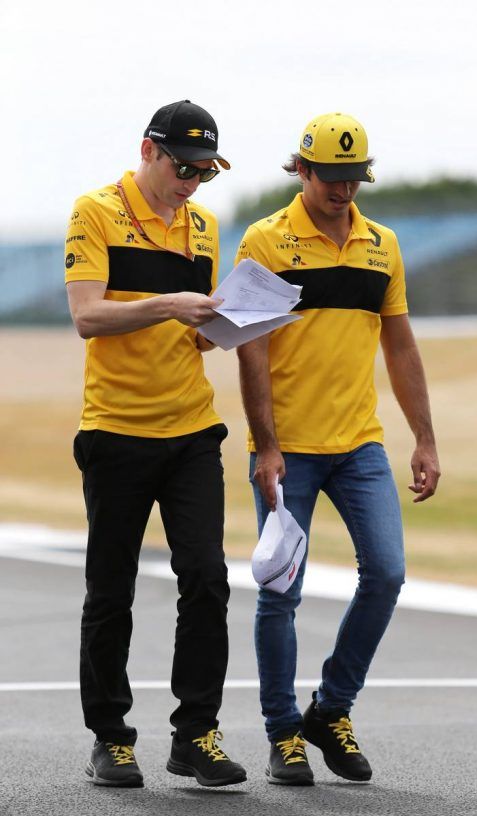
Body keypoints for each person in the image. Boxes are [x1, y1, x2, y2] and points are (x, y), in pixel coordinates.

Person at [235, 112, 440, 786]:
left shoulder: (382, 245)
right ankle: (282, 732)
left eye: (354, 179)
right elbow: (250, 350)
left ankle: (331, 710)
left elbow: (400, 344)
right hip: (286, 451)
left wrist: (424, 437)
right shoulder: (264, 242)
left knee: (385, 573)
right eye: (332, 177)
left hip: (359, 446)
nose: (344, 190)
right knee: (279, 592)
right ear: (301, 170)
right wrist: (266, 446)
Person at [65, 100, 246, 789]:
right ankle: (110, 739)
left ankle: (196, 734)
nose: (192, 184)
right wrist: (168, 304)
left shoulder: (203, 225)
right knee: (111, 593)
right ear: (148, 150)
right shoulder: (96, 211)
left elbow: (196, 331)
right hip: (115, 429)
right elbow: (88, 316)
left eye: (205, 173)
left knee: (207, 578)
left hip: (192, 428)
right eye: (183, 168)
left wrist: (229, 324)